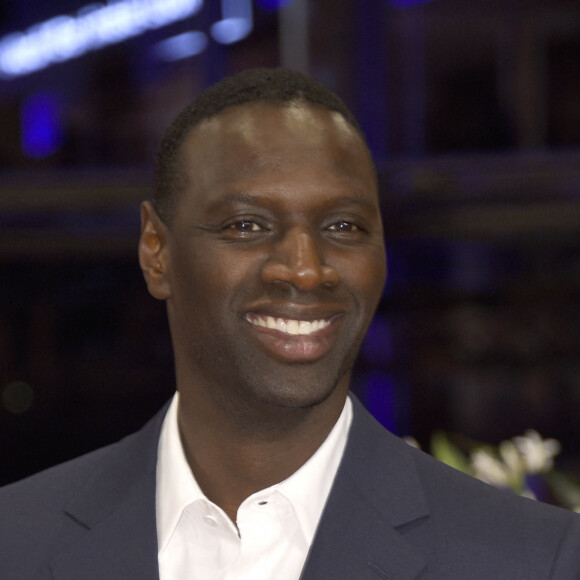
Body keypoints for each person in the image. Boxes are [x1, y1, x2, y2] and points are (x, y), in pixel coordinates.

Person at [1, 68, 580, 580]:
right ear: (157, 252)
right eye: (247, 226)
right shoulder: (16, 543)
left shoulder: (532, 559)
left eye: (344, 227)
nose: (305, 270)